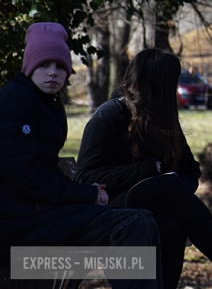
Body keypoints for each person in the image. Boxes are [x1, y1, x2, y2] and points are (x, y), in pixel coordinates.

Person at [75, 48, 212, 289]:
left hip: (146, 208)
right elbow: (85, 177)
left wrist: (175, 192)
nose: (174, 91)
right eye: (172, 83)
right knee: (163, 186)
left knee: (171, 224)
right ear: (158, 85)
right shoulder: (110, 115)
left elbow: (190, 170)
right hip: (105, 208)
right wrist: (145, 171)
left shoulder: (161, 118)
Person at [0, 22, 163, 289]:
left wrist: (82, 190)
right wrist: (85, 194)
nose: (53, 73)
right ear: (29, 67)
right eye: (44, 65)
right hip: (16, 227)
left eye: (60, 66)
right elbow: (24, 175)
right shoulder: (17, 101)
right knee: (132, 222)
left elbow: (44, 168)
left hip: (34, 218)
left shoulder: (43, 102)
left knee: (142, 219)